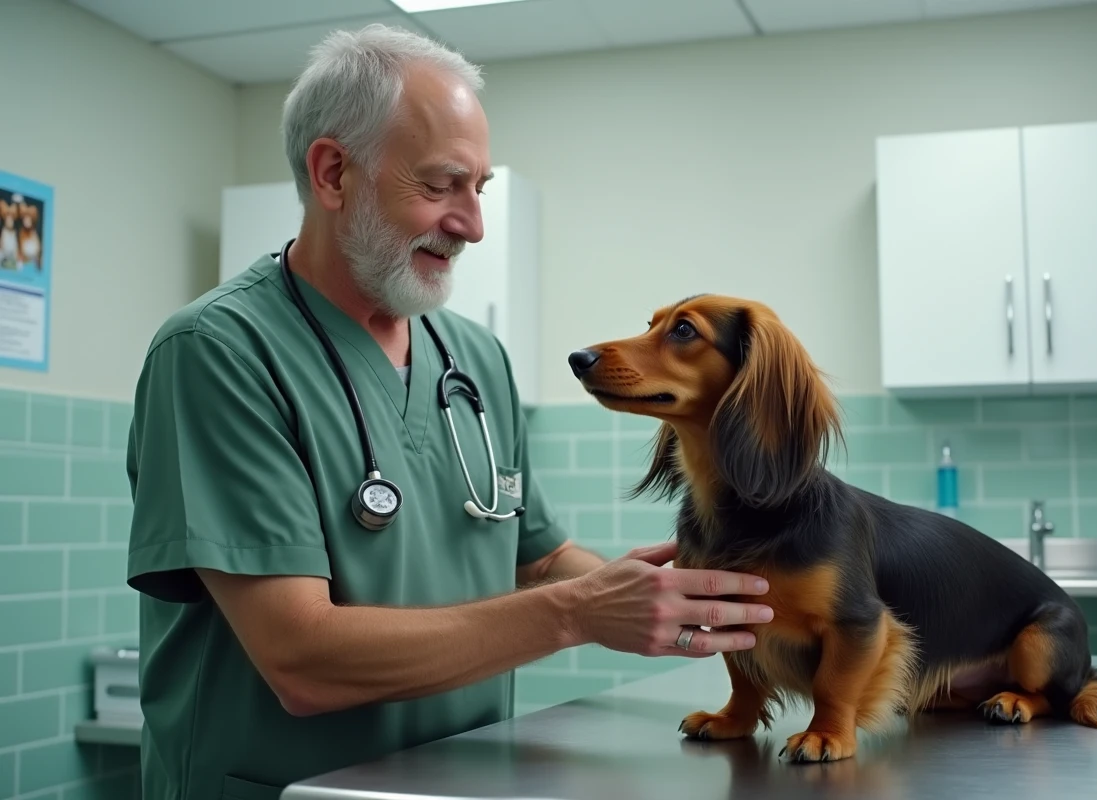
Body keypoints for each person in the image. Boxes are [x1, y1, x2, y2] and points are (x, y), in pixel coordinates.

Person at [123, 24, 775, 799]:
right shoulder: (217, 352)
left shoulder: (474, 357)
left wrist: (669, 602)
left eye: (479, 188)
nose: (472, 224)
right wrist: (579, 615)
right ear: (333, 174)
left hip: (454, 782)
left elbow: (534, 555)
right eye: (441, 186)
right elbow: (301, 658)